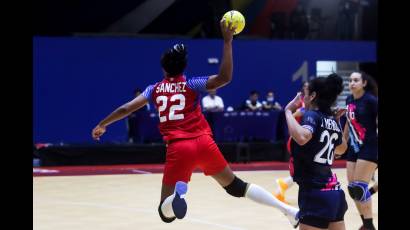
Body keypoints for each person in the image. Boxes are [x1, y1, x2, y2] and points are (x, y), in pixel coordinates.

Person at [92, 19, 299, 227]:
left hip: (179, 148)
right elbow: (224, 77)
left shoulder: (153, 89)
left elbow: (126, 109)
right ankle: (289, 210)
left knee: (166, 213)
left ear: (163, 68)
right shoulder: (192, 84)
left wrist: (103, 124)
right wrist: (227, 42)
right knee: (236, 186)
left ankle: (176, 197)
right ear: (184, 67)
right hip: (203, 142)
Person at [285, 74, 348, 230]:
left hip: (315, 192)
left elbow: (301, 137)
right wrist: (337, 123)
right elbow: (341, 149)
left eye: (305, 94)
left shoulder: (312, 115)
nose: (302, 98)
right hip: (334, 192)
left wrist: (287, 111)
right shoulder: (332, 119)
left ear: (313, 96)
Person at [343, 71, 378, 230]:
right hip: (353, 148)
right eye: (350, 80)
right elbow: (348, 123)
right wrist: (342, 142)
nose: (352, 83)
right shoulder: (349, 99)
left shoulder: (371, 100)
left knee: (360, 187)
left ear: (364, 83)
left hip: (370, 146)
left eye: (356, 80)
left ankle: (369, 226)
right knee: (352, 189)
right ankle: (366, 224)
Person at [274, 81, 308, 203]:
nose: (308, 88)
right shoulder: (299, 101)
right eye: (306, 86)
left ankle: (283, 185)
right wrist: (301, 112)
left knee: (304, 169)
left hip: (305, 138)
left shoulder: (311, 102)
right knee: (302, 170)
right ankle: (284, 184)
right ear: (303, 89)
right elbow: (290, 116)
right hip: (297, 138)